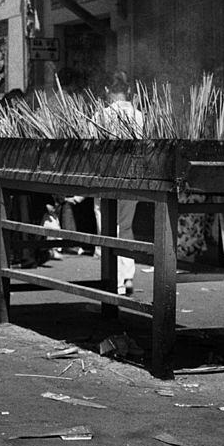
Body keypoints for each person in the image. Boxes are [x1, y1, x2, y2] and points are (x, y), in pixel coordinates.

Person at [97, 71, 145, 296]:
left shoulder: (103, 116)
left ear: (108, 91)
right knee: (126, 227)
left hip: (108, 177)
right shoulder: (139, 116)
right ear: (128, 91)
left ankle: (115, 281)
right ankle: (127, 278)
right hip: (132, 177)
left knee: (110, 228)